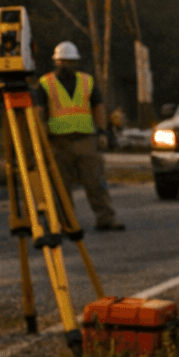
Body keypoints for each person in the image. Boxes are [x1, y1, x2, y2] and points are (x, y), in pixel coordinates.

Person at [34, 42, 124, 231]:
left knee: (96, 181)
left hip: (85, 140)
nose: (67, 64)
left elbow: (98, 107)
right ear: (56, 61)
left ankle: (106, 218)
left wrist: (102, 132)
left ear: (76, 62)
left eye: (70, 61)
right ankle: (67, 223)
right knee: (61, 187)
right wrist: (40, 139)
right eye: (63, 61)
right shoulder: (45, 83)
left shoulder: (87, 81)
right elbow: (39, 112)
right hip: (58, 143)